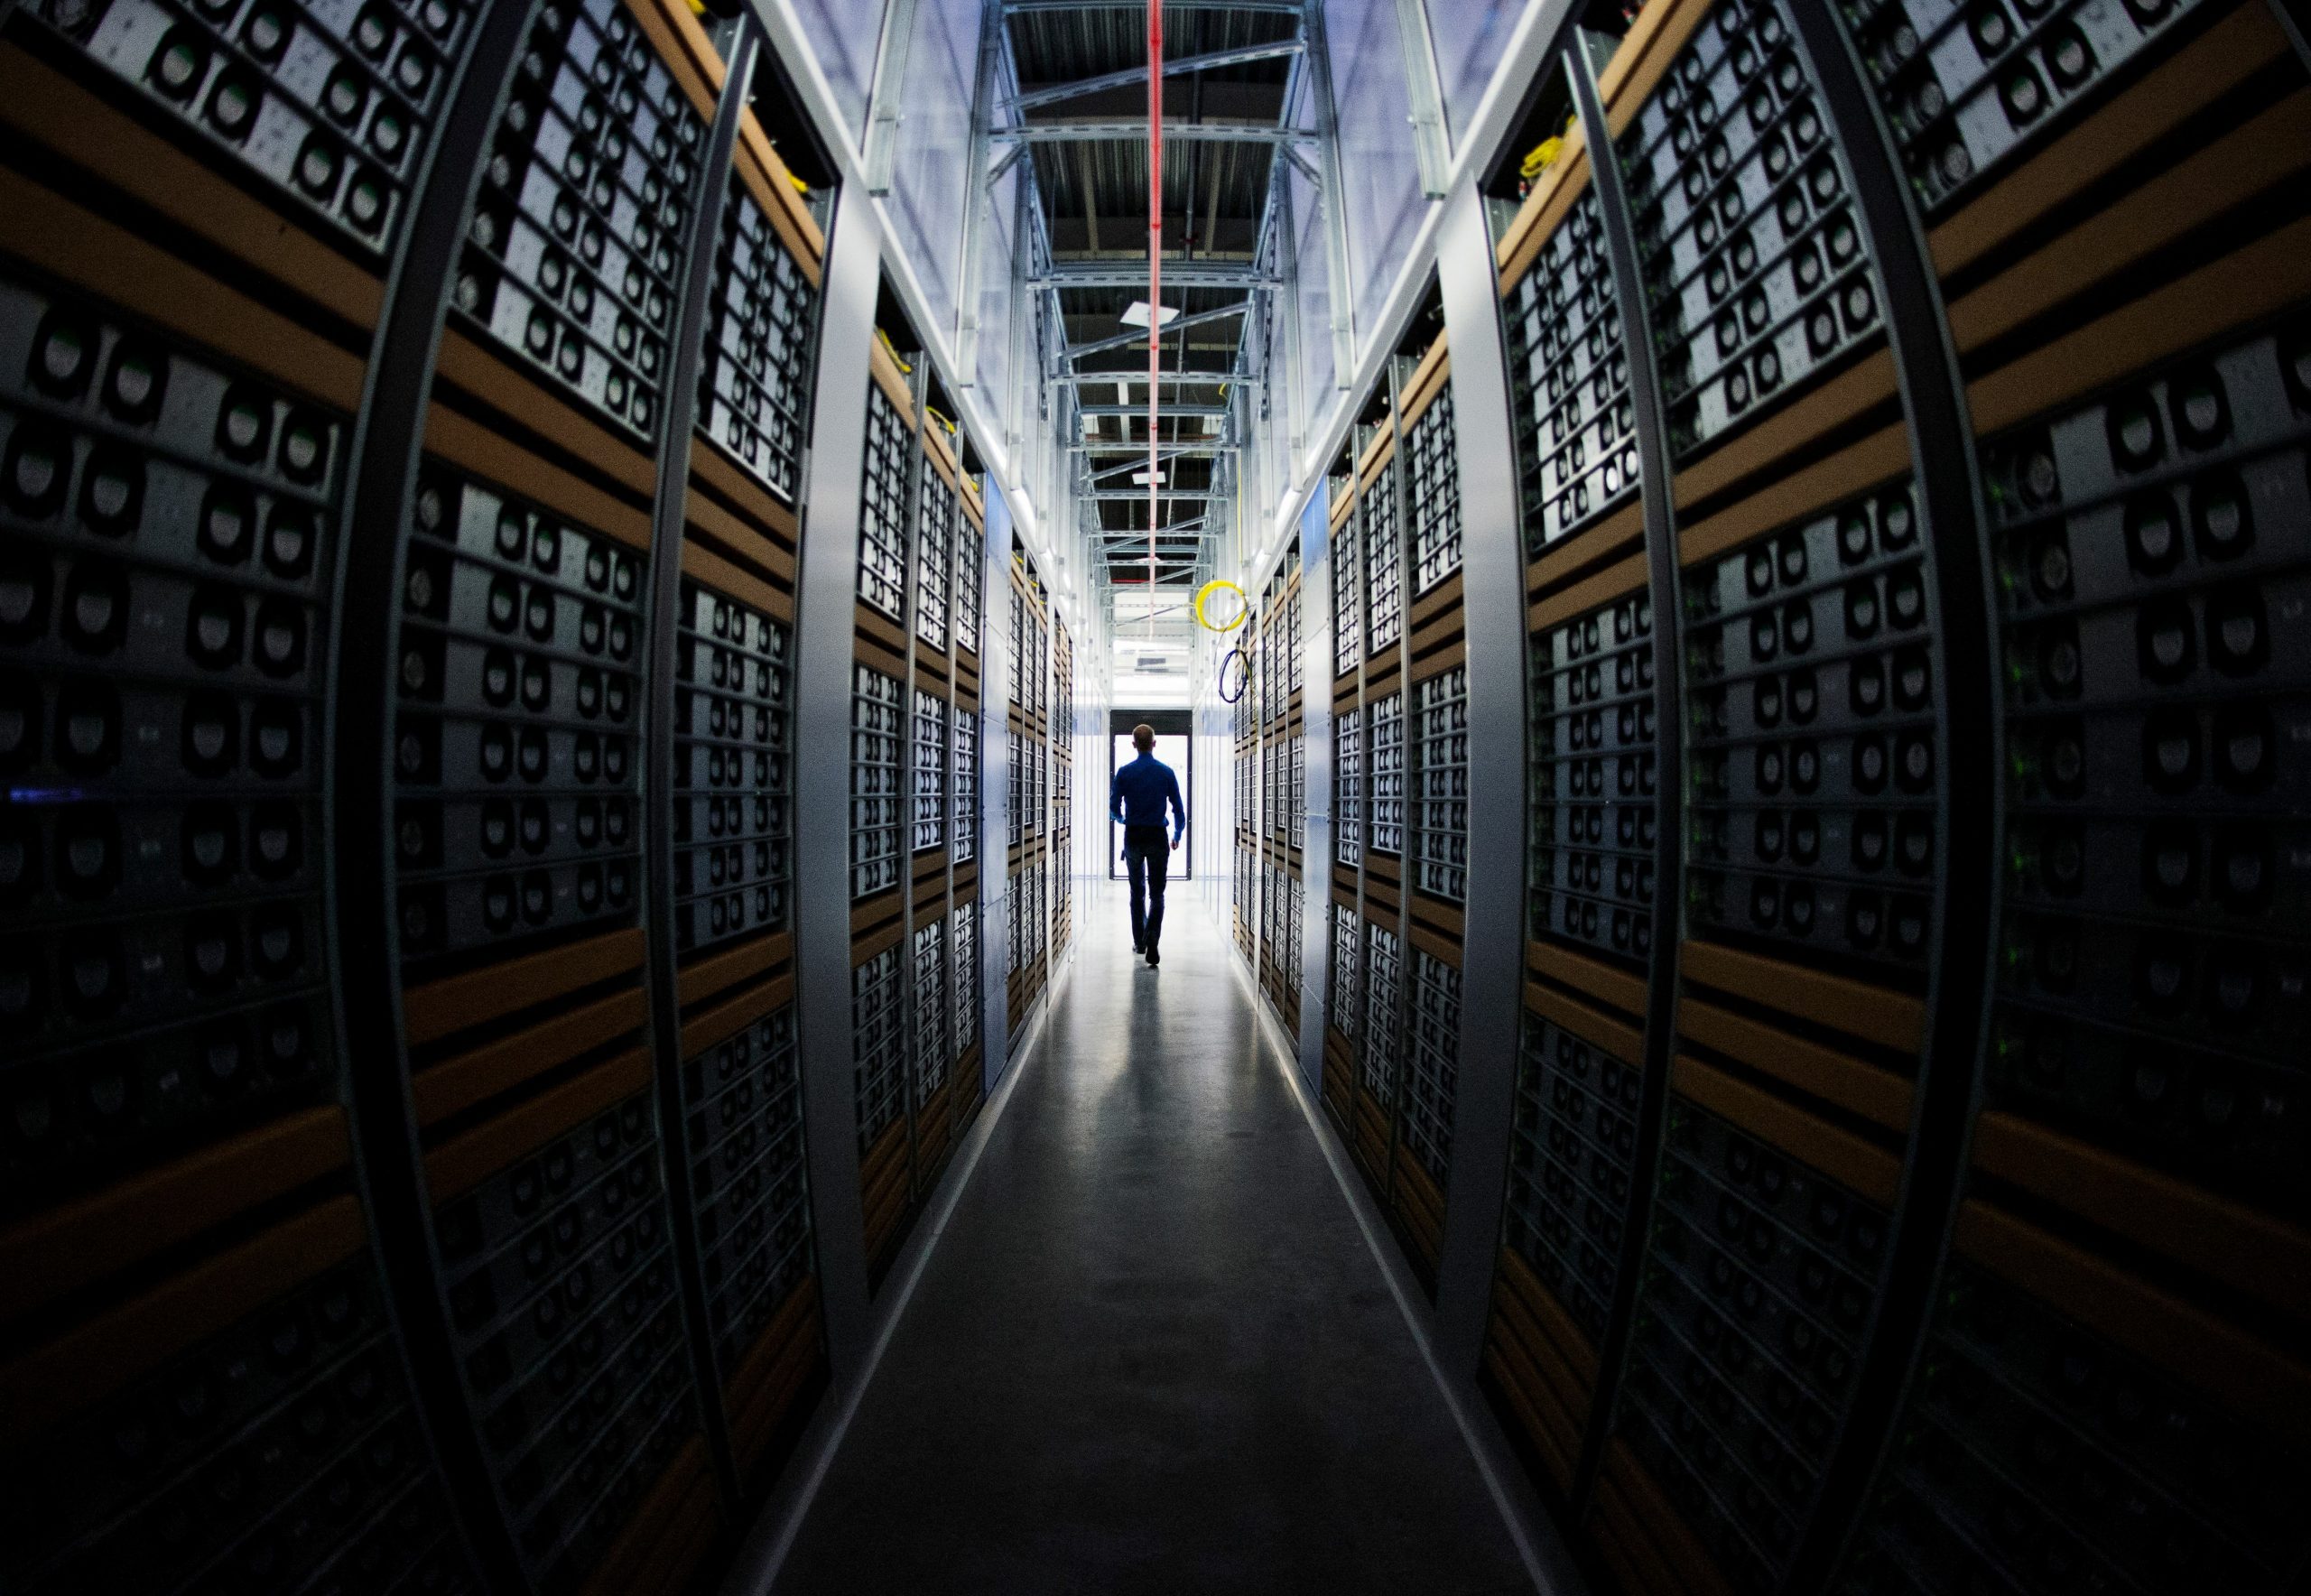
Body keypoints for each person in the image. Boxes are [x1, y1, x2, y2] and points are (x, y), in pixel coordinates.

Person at [1109, 723, 1185, 967]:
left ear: (1133, 744)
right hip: (1157, 837)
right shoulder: (1166, 772)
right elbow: (1179, 810)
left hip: (1133, 836)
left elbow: (1113, 808)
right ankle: (1152, 937)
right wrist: (1177, 834)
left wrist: (1122, 819)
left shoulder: (1124, 772)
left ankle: (1140, 943)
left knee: (1136, 891)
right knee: (1157, 893)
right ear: (1154, 743)